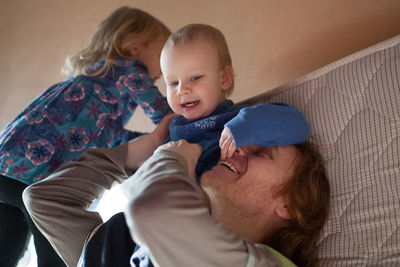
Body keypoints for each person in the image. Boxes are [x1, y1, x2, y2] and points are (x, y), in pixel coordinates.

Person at [23, 23, 327, 266]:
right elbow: (42, 198)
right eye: (172, 83)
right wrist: (136, 150)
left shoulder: (264, 262)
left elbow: (154, 211)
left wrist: (173, 157)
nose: (241, 147)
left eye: (262, 150)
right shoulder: (121, 238)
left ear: (291, 203)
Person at [0, 6, 171, 267]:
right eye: (161, 55)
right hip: (20, 168)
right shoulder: (128, 69)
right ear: (135, 46)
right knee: (48, 219)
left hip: (9, 166)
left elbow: (118, 140)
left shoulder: (102, 102)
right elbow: (161, 113)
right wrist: (186, 126)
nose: (164, 69)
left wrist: (152, 144)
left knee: (9, 243)